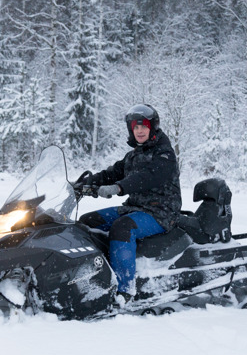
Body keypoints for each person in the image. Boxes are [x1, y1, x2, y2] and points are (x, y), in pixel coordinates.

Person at [77, 104, 182, 305]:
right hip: (134, 207)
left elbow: (148, 177)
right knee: (88, 221)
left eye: (143, 126)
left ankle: (125, 290)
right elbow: (114, 172)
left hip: (161, 212)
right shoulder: (134, 155)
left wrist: (118, 188)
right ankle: (93, 275)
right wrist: (86, 184)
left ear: (152, 127)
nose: (139, 131)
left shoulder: (164, 154)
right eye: (135, 127)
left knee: (122, 228)